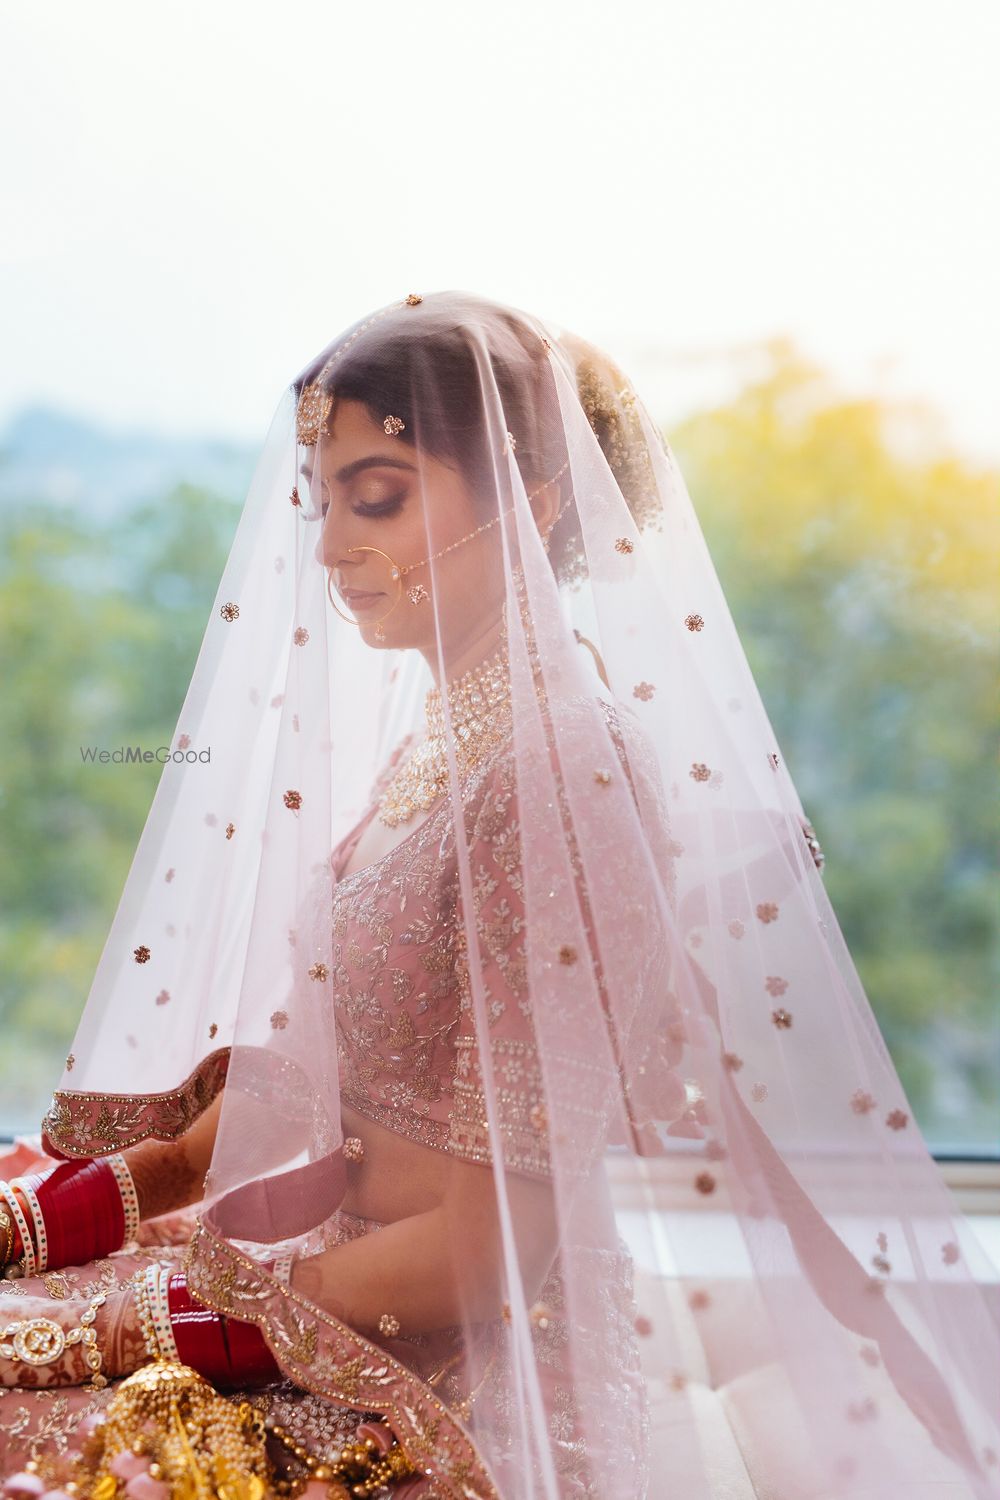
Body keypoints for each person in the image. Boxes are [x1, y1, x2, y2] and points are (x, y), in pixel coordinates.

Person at [1, 290, 997, 1500]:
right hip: (326, 1293)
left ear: (530, 501)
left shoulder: (561, 777)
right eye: (323, 504)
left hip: (437, 1372)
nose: (327, 551)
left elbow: (489, 1248)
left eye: (377, 497)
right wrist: (100, 1201)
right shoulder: (455, 733)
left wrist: (138, 1324)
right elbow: (327, 1067)